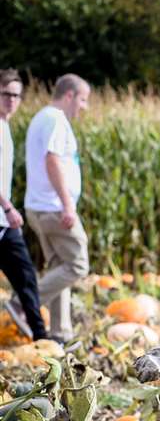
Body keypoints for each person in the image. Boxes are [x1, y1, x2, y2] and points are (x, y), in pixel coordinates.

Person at [24, 74, 91, 339]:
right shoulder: (55, 119)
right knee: (77, 265)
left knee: (59, 266)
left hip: (41, 207)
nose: (84, 107)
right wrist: (67, 205)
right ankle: (24, 304)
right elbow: (52, 160)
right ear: (69, 95)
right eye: (83, 99)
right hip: (53, 208)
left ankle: (60, 334)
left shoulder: (42, 117)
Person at [0, 72, 48, 341]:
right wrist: (8, 206)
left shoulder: (6, 128)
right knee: (25, 278)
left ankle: (42, 340)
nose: (12, 100)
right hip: (3, 216)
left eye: (17, 95)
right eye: (6, 94)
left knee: (26, 278)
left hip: (5, 223)